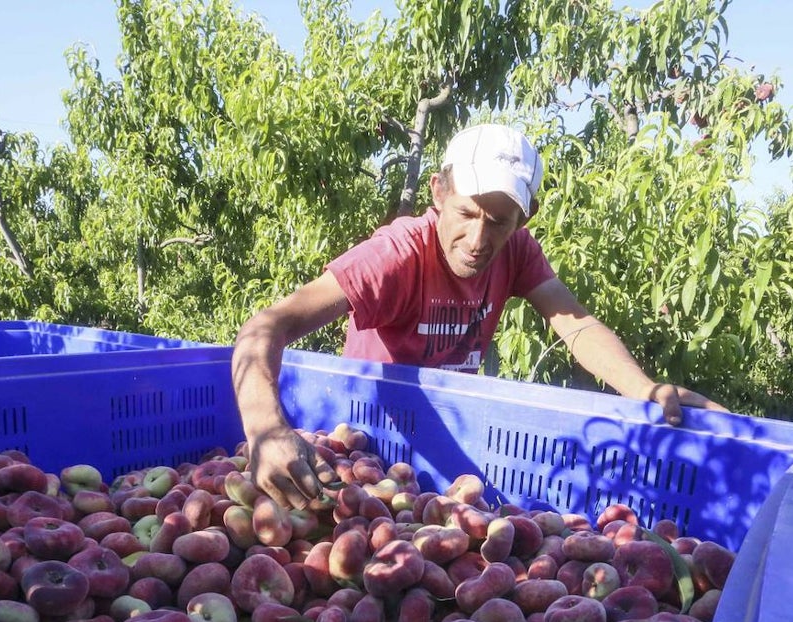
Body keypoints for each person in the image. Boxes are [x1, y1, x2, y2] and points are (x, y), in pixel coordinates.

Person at [231, 123, 725, 510]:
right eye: (467, 214)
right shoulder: (397, 255)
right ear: (438, 194)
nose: (479, 239)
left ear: (522, 220)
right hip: (368, 450)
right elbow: (265, 326)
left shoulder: (517, 252)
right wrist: (267, 430)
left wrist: (641, 388)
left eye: (499, 222)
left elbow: (575, 323)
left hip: (443, 460)